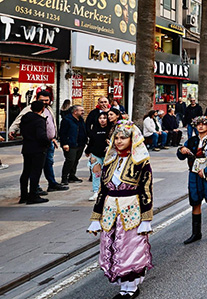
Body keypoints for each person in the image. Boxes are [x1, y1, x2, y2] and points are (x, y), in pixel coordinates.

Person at [85, 120, 153, 298]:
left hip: (131, 211)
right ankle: (123, 285)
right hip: (109, 212)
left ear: (132, 139)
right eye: (117, 137)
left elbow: (146, 189)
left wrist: (146, 218)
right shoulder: (110, 162)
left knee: (130, 248)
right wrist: (95, 218)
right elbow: (102, 191)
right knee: (112, 246)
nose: (119, 141)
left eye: (123, 138)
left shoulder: (141, 162)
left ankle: (131, 287)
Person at [9, 91, 69, 193]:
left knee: (48, 163)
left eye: (47, 100)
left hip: (48, 141)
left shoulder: (49, 109)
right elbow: (18, 120)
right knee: (35, 168)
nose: (45, 102)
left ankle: (52, 183)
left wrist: (53, 137)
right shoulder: (30, 110)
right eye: (42, 100)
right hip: (38, 143)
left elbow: (51, 124)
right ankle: (35, 189)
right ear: (37, 99)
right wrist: (12, 130)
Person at [178, 116, 207, 244]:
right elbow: (181, 156)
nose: (200, 126)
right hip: (194, 175)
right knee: (195, 202)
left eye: (203, 124)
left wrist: (206, 170)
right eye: (198, 124)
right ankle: (196, 233)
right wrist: (181, 150)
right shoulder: (192, 141)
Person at [19, 101, 50, 204]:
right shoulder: (39, 120)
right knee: (35, 172)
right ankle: (33, 195)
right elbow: (41, 135)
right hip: (38, 149)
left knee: (26, 171)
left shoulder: (25, 118)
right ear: (42, 109)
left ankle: (24, 195)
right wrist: (47, 143)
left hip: (27, 147)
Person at [58, 105, 87, 185]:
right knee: (70, 160)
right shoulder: (67, 120)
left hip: (80, 144)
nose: (83, 112)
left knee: (76, 160)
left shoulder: (80, 120)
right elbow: (62, 133)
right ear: (75, 112)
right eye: (81, 110)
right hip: (71, 144)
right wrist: (64, 143)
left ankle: (72, 176)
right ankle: (64, 177)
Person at [85, 113, 110, 201]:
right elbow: (91, 141)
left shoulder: (110, 129)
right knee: (96, 173)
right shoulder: (95, 129)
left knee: (107, 173)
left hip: (108, 154)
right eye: (100, 118)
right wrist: (88, 150)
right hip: (96, 154)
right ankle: (96, 191)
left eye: (104, 118)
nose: (102, 120)